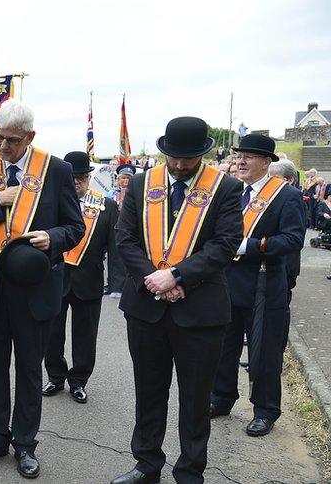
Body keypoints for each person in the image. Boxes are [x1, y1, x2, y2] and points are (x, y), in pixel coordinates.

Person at [0, 100, 84, 479]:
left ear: (30, 137)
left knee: (28, 368)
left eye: (11, 140)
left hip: (35, 285)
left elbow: (75, 228)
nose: (2, 146)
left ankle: (25, 443)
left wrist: (52, 237)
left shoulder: (55, 170)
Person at [111, 116, 243, 484]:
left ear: (203, 154)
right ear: (164, 151)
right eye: (175, 158)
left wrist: (179, 276)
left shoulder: (226, 188)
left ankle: (190, 470)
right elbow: (126, 239)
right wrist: (156, 281)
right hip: (146, 309)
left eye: (189, 158)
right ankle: (146, 464)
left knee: (195, 399)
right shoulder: (140, 184)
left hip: (200, 311)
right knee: (149, 393)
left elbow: (225, 243)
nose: (181, 165)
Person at [209, 135, 305, 437]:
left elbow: (293, 240)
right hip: (228, 284)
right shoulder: (232, 192)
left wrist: (250, 246)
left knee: (264, 353)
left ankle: (265, 410)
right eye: (238, 156)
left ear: (266, 162)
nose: (240, 161)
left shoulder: (285, 196)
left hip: (264, 286)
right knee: (224, 347)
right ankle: (222, 398)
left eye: (248, 156)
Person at [44, 152, 118, 404]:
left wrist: (117, 283)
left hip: (89, 279)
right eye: (72, 178)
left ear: (89, 178)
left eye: (82, 178)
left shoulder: (107, 205)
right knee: (52, 332)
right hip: (54, 277)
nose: (77, 182)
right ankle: (55, 376)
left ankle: (79, 381)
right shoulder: (49, 202)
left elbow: (114, 245)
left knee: (85, 334)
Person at [269, 159, 307, 302]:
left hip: (285, 264)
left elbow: (294, 237)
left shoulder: (293, 197)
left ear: (290, 180)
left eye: (275, 178)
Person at [105, 163, 135, 298]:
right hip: (113, 229)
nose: (125, 181)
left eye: (128, 178)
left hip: (129, 229)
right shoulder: (112, 194)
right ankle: (113, 284)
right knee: (114, 258)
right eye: (123, 178)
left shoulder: (136, 193)